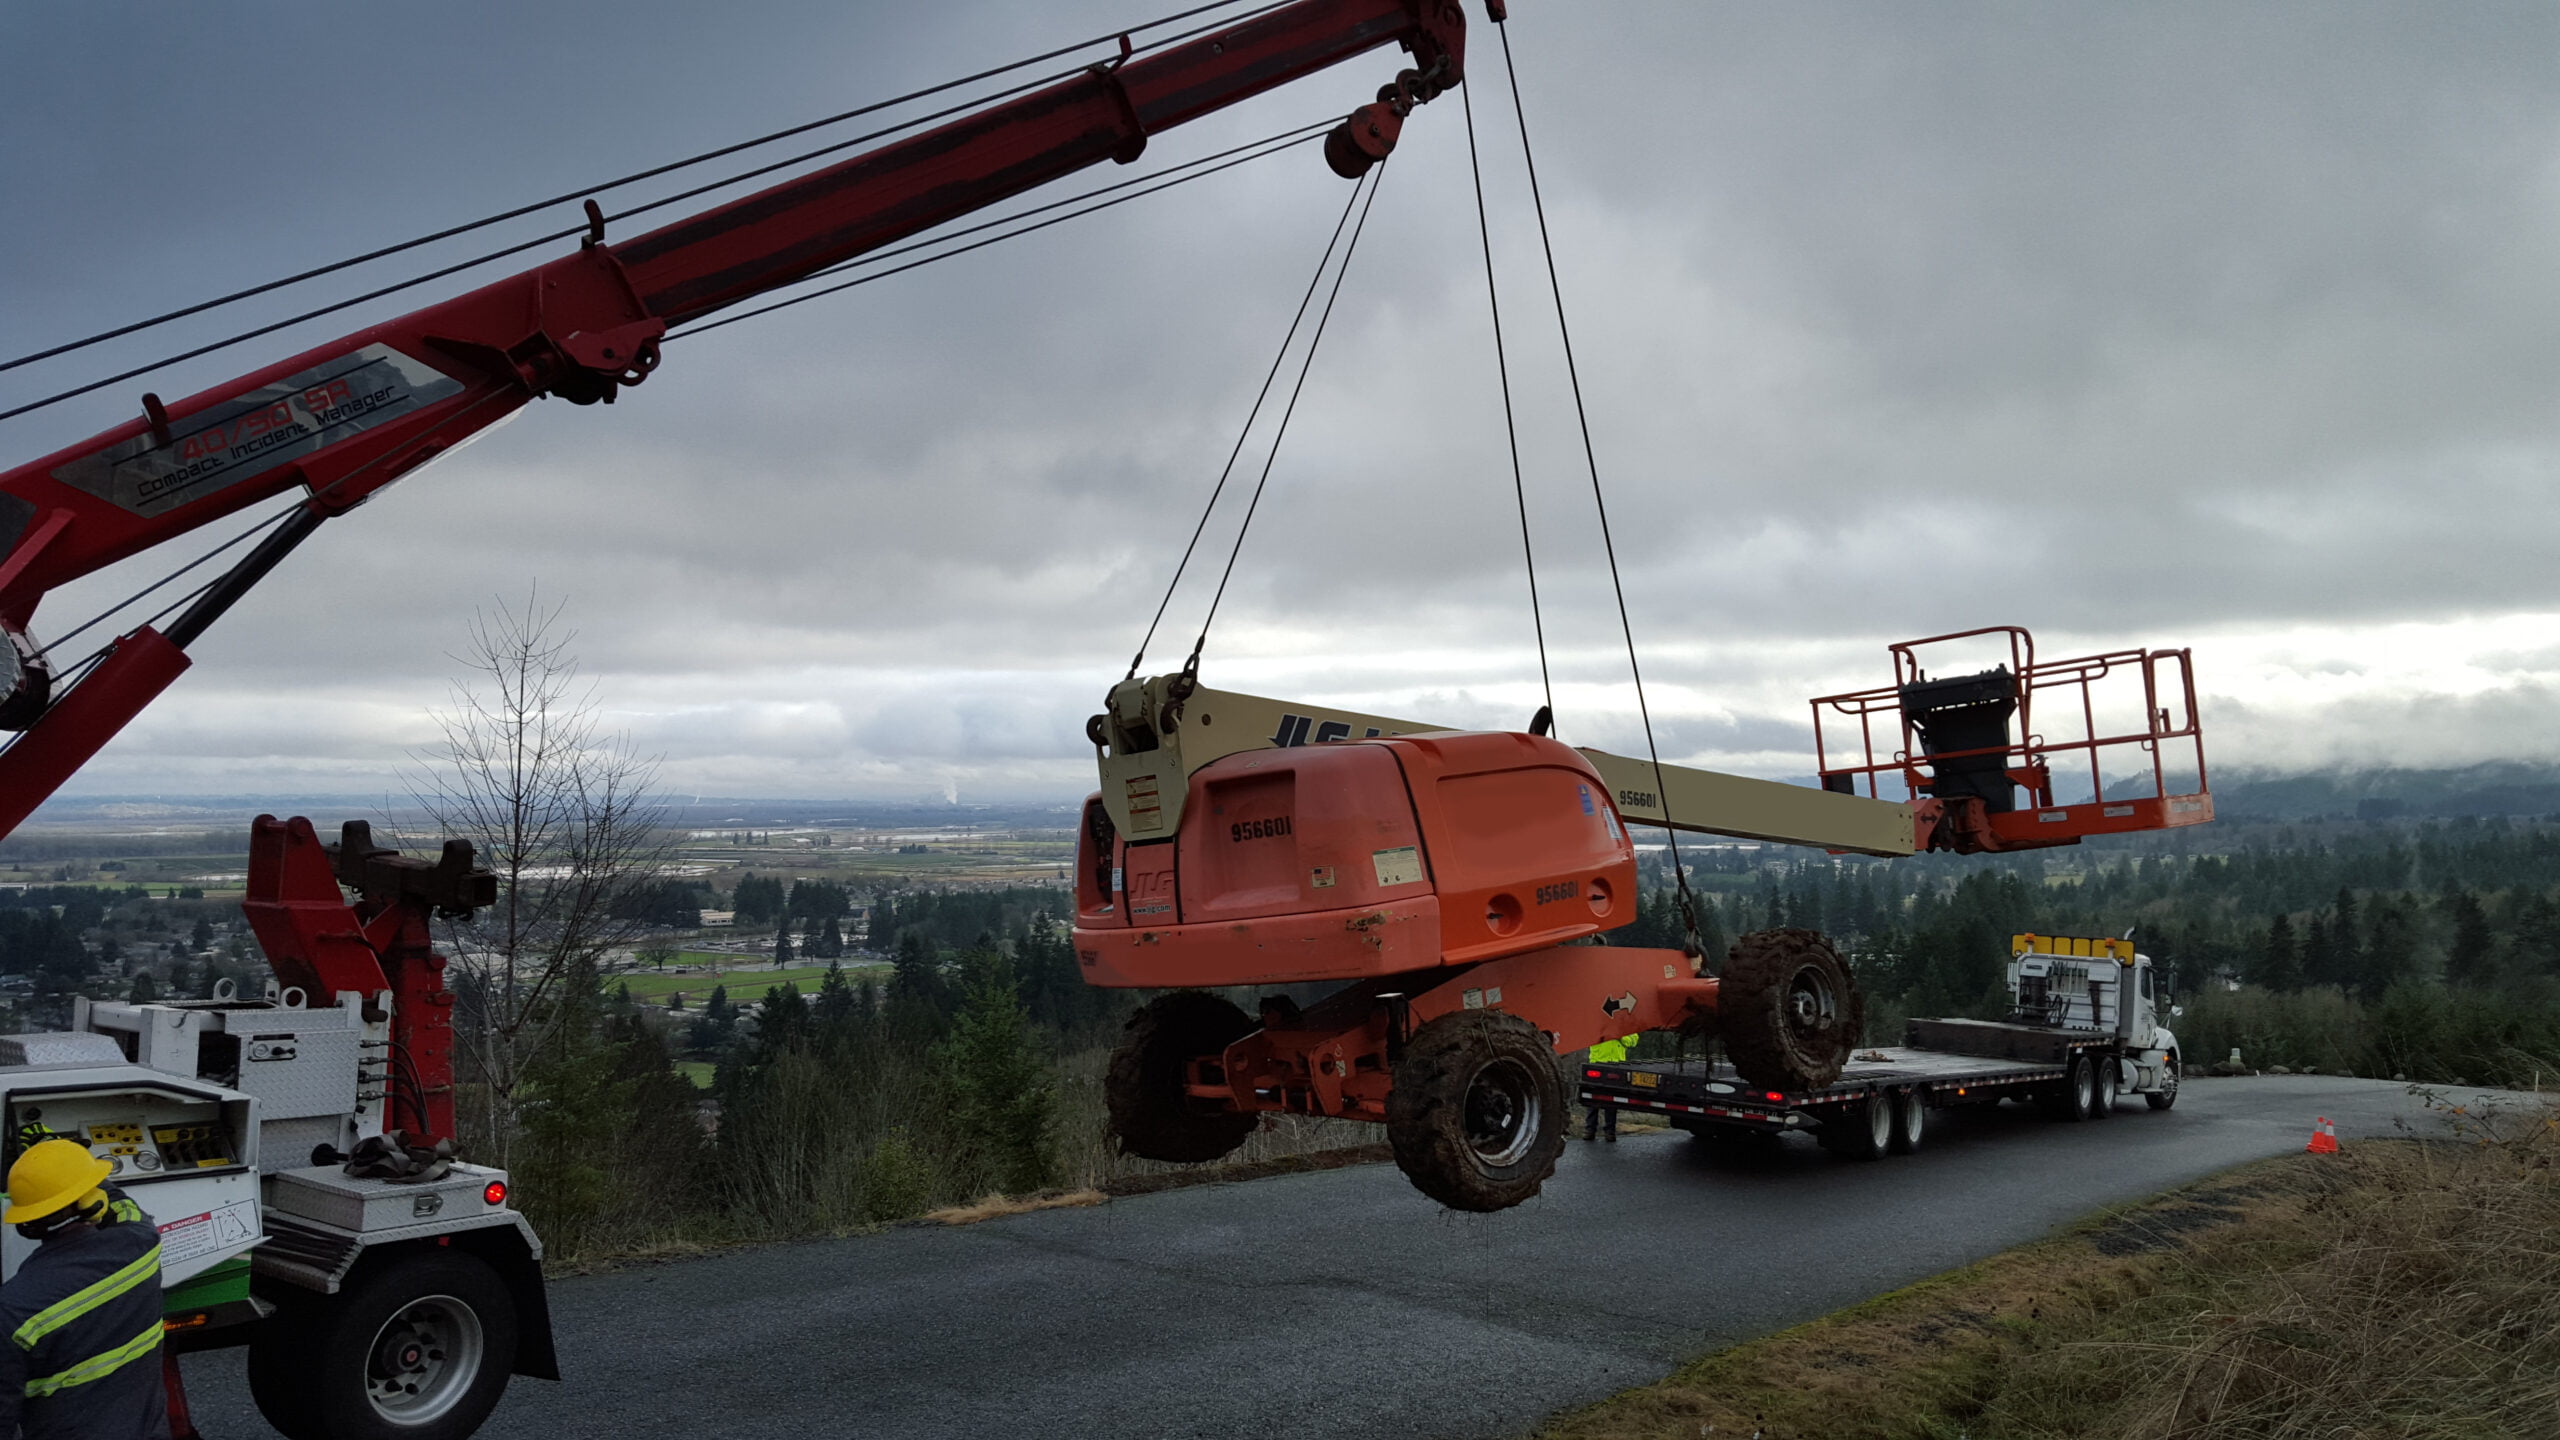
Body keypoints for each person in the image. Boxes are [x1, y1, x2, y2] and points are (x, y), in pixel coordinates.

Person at [0, 1139, 168, 1439]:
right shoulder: (141, 1244)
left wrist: (41, 1179)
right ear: (93, 1202)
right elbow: (123, 1205)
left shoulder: (14, 1310)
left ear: (26, 1222)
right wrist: (67, 1161)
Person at [1583, 1033, 1638, 1142]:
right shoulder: (1598, 1024)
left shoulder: (1623, 1025)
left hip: (1616, 1064)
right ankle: (1590, 1130)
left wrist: (1620, 1036)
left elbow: (1633, 1041)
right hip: (1597, 1062)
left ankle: (1610, 1132)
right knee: (1593, 1099)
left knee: (1612, 1100)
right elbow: (1587, 1036)